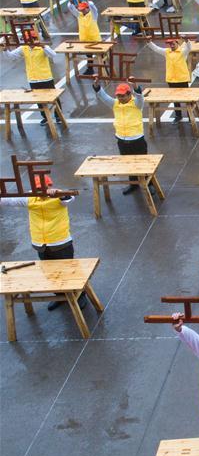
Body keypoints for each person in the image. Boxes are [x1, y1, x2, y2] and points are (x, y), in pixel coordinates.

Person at [0, 175, 84, 310]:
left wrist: (57, 194)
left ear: (50, 186)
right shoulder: (29, 198)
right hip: (41, 245)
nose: (42, 191)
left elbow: (69, 198)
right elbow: (8, 201)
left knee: (69, 272)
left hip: (60, 243)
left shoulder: (59, 197)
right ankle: (60, 295)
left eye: (45, 187)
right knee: (50, 273)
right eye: (38, 188)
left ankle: (80, 295)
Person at [92, 79, 148, 195]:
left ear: (129, 94)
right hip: (122, 140)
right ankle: (133, 184)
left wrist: (136, 88)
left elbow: (140, 97)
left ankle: (149, 183)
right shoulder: (115, 103)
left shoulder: (137, 104)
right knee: (128, 164)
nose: (120, 98)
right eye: (118, 96)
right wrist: (97, 86)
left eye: (122, 96)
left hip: (137, 140)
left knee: (143, 164)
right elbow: (103, 97)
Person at [146, 37, 193, 122]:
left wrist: (187, 41)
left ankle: (190, 115)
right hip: (171, 79)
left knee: (187, 98)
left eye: (173, 44)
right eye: (170, 44)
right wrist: (149, 43)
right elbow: (156, 49)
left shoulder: (182, 52)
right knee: (175, 99)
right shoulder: (167, 52)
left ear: (177, 43)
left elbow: (189, 48)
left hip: (182, 79)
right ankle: (178, 116)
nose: (171, 45)